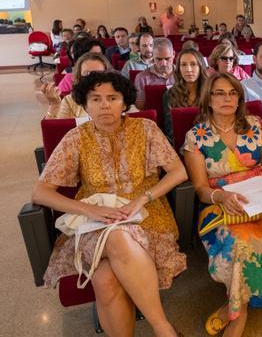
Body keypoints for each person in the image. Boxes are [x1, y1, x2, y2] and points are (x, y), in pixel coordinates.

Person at [32, 71, 187, 336]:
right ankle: (164, 329)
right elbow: (41, 193)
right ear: (85, 103)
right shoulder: (76, 137)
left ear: (124, 101)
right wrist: (91, 209)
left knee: (105, 279)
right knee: (115, 238)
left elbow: (178, 172)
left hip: (146, 214)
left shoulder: (146, 128)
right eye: (96, 99)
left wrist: (143, 198)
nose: (104, 105)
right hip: (94, 220)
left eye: (112, 98)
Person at [183, 72, 262, 336]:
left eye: (233, 93)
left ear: (240, 98)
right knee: (240, 241)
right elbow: (200, 189)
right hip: (220, 202)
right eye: (219, 93)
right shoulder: (196, 136)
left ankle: (236, 309)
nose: (227, 98)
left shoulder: (254, 125)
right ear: (209, 99)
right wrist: (221, 197)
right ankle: (238, 311)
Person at [40, 52, 133, 119]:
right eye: (87, 74)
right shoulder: (70, 100)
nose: (93, 78)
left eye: (99, 73)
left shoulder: (120, 97)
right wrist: (54, 105)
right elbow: (55, 133)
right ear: (79, 76)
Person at [162, 48, 208, 143]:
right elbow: (171, 132)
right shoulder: (170, 95)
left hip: (210, 143)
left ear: (200, 67)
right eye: (183, 65)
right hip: (182, 145)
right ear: (179, 69)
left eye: (193, 64)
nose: (188, 69)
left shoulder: (211, 93)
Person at [134, 38, 175, 109]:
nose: (163, 63)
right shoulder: (141, 78)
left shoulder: (183, 74)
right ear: (153, 56)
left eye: (167, 58)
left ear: (173, 54)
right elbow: (140, 107)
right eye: (158, 59)